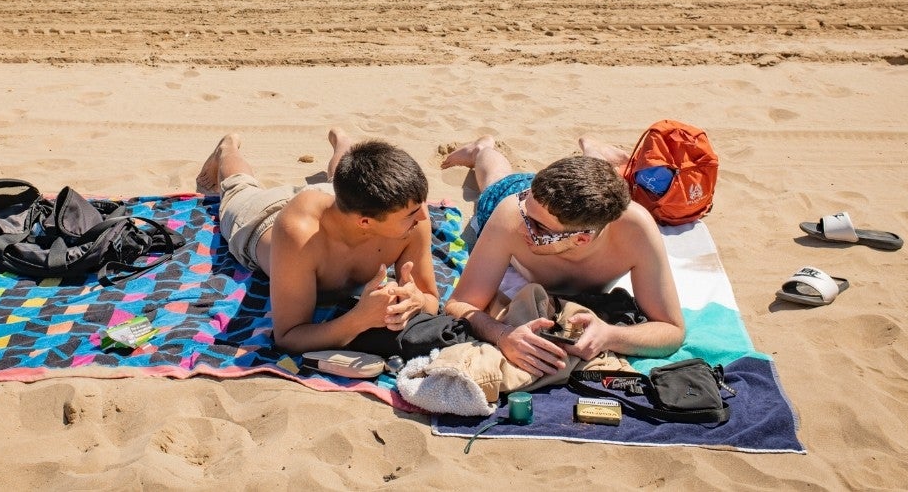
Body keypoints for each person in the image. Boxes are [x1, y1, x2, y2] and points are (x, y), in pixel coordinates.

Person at [440, 135, 684, 377]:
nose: (523, 227)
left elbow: (672, 330)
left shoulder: (635, 231)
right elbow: (460, 304)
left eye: (538, 229)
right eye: (526, 215)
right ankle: (481, 149)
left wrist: (610, 336)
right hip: (532, 193)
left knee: (599, 191)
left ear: (581, 239)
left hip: (570, 205)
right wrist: (502, 334)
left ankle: (593, 150)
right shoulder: (515, 210)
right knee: (496, 181)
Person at [197, 129, 439, 354]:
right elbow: (288, 336)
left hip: (335, 201)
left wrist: (418, 301)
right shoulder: (299, 235)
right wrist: (358, 320)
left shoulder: (413, 223)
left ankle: (343, 145)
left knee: (346, 182)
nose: (425, 217)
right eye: (412, 212)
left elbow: (431, 299)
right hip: (264, 218)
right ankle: (227, 149)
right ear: (365, 223)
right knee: (239, 187)